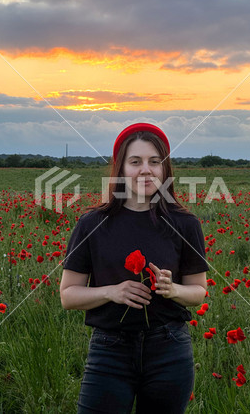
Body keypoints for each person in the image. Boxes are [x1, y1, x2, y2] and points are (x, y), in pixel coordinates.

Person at [60, 123, 209, 414]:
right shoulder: (91, 225)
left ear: (165, 170)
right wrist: (112, 292)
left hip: (169, 349)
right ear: (121, 169)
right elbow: (68, 295)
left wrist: (172, 288)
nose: (146, 170)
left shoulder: (185, 224)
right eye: (135, 162)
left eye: (155, 162)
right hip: (109, 350)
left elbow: (198, 292)